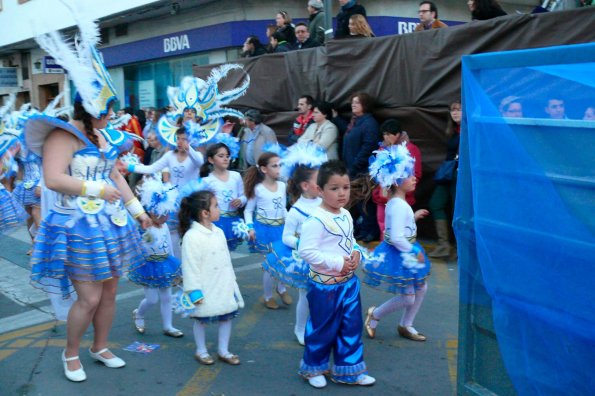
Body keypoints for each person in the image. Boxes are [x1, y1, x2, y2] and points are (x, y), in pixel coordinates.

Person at [27, 11, 151, 382]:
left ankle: (100, 346)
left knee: (110, 293)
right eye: (107, 108)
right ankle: (71, 353)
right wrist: (96, 189)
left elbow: (115, 174)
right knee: (89, 298)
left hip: (108, 224)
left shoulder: (103, 137)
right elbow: (52, 179)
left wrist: (137, 210)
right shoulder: (62, 136)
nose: (112, 115)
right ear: (89, 104)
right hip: (76, 226)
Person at [298, 160, 375, 388]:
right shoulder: (315, 220)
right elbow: (306, 251)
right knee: (322, 329)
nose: (342, 193)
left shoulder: (345, 214)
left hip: (348, 284)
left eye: (345, 187)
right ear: (320, 191)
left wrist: (356, 254)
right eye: (334, 188)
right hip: (324, 286)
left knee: (351, 327)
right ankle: (314, 368)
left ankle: (350, 370)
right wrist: (337, 262)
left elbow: (349, 242)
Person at [363, 144, 431, 342]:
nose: (414, 177)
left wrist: (414, 218)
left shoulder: (398, 203)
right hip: (402, 252)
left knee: (421, 288)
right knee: (408, 296)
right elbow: (395, 237)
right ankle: (375, 314)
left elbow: (398, 228)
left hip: (404, 250)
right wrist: (413, 251)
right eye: (409, 175)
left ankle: (406, 325)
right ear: (396, 180)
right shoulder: (399, 205)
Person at [263, 143, 327, 345]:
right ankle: (300, 328)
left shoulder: (324, 203)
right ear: (305, 185)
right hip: (305, 257)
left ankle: (319, 326)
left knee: (324, 296)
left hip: (325, 255)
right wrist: (302, 242)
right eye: (319, 181)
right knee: (306, 295)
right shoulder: (296, 211)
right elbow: (286, 237)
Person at [179, 190, 245, 366]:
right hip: (205, 286)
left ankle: (224, 350)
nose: (219, 208)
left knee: (227, 316)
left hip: (223, 284)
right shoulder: (192, 237)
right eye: (216, 205)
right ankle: (201, 350)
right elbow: (190, 266)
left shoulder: (218, 232)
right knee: (201, 319)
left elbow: (226, 262)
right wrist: (194, 291)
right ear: (204, 213)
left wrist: (232, 283)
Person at [121, 127, 204, 258]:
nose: (180, 142)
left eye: (184, 139)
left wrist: (189, 148)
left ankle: (194, 265)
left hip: (190, 202)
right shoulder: (170, 155)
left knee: (191, 234)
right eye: (178, 139)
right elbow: (151, 168)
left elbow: (199, 162)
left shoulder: (195, 156)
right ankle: (177, 268)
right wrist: (129, 166)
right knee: (173, 235)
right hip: (173, 202)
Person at [129, 178, 183, 338]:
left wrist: (176, 269)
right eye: (162, 213)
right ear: (151, 210)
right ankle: (138, 314)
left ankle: (168, 326)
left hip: (166, 263)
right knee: (152, 299)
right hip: (149, 266)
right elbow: (136, 246)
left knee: (166, 296)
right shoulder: (143, 227)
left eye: (167, 213)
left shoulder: (165, 226)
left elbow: (170, 248)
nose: (166, 217)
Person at [243, 151, 291, 310]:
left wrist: (292, 223)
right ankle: (268, 296)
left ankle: (281, 288)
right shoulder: (258, 189)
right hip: (264, 230)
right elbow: (248, 210)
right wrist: (250, 228)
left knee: (284, 260)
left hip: (281, 228)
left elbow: (283, 208)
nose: (279, 168)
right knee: (270, 264)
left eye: (280, 165)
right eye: (275, 166)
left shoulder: (283, 186)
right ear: (264, 169)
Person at [335, 92, 380, 242]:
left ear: (365, 105)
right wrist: (336, 118)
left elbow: (368, 147)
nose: (353, 105)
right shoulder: (355, 121)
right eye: (352, 102)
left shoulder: (369, 123)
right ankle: (363, 229)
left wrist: (355, 166)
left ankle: (370, 231)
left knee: (365, 202)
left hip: (362, 170)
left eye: (357, 102)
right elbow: (348, 135)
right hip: (352, 169)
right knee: (356, 203)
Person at [372, 119, 422, 240]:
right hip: (383, 196)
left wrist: (403, 189)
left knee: (401, 226)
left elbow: (417, 173)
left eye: (389, 134)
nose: (386, 137)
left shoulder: (410, 149)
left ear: (398, 134)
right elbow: (376, 173)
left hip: (401, 195)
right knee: (383, 226)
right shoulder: (382, 149)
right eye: (384, 134)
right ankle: (385, 250)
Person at [428, 101, 461, 259]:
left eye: (459, 110)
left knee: (458, 210)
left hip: (460, 175)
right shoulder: (454, 131)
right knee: (436, 203)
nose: (455, 113)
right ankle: (444, 245)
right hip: (448, 174)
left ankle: (458, 247)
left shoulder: (469, 131)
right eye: (452, 110)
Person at [201, 143, 246, 251]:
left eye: (227, 156)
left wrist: (241, 200)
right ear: (211, 160)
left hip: (234, 219)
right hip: (217, 221)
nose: (225, 159)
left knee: (230, 250)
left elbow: (244, 195)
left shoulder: (236, 176)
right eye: (221, 156)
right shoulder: (207, 181)